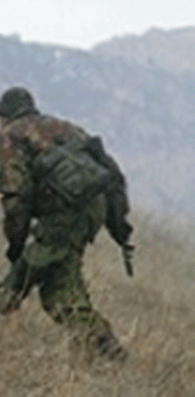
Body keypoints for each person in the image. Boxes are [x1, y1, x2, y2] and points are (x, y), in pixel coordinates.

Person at [0, 86, 132, 363]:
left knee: (21, 281)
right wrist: (118, 225)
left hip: (63, 217)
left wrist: (15, 244)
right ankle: (103, 348)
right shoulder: (65, 127)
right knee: (60, 286)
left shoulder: (11, 136)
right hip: (93, 211)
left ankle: (108, 351)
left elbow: (16, 196)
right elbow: (110, 171)